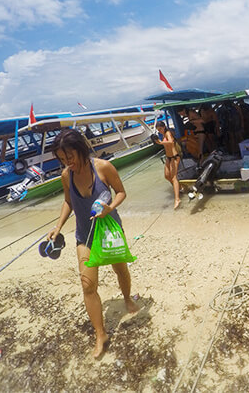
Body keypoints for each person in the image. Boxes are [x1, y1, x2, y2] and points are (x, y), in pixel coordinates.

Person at [46, 128, 138, 359]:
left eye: (70, 157)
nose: (67, 163)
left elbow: (121, 192)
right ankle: (101, 334)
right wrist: (58, 228)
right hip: (84, 235)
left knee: (120, 270)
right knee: (87, 285)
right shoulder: (66, 176)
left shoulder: (103, 168)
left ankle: (127, 298)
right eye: (62, 159)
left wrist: (109, 208)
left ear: (81, 150)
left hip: (108, 232)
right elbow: (68, 202)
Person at [153, 121, 181, 209]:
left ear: (164, 127)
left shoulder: (168, 133)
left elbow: (171, 142)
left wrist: (161, 143)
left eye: (160, 129)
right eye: (158, 130)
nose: (160, 131)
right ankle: (179, 188)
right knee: (166, 176)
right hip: (168, 158)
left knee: (174, 178)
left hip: (174, 157)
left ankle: (177, 199)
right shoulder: (163, 135)